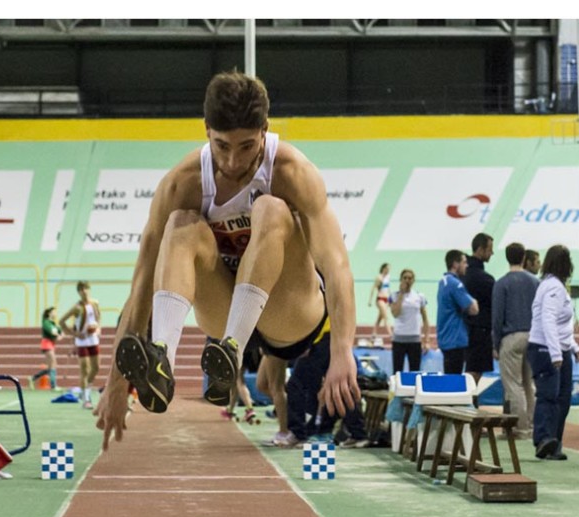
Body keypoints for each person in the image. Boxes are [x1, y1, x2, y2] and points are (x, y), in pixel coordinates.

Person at [97, 70, 359, 450]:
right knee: (180, 224)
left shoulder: (292, 171)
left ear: (265, 131)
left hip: (290, 312)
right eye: (222, 147)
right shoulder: (182, 183)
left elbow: (337, 269)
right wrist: (116, 384)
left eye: (247, 146)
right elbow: (141, 286)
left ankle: (232, 350)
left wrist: (342, 353)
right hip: (224, 307)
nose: (234, 161)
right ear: (206, 131)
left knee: (270, 208)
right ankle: (162, 357)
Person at [526, 245, 579, 461]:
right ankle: (542, 439)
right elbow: (548, 320)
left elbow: (562, 324)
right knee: (549, 396)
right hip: (546, 348)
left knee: (563, 398)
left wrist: (573, 346)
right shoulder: (553, 287)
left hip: (559, 347)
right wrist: (555, 354)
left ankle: (554, 443)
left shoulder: (556, 286)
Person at [280, 321, 370, 448]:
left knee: (295, 385)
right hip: (332, 338)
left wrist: (305, 343)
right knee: (340, 386)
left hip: (321, 339)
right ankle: (359, 434)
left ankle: (298, 434)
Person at [491, 242, 540, 439]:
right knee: (529, 384)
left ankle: (519, 428)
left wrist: (495, 344)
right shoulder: (535, 282)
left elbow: (497, 316)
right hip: (533, 335)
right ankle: (530, 425)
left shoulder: (502, 283)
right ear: (523, 258)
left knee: (513, 385)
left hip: (511, 337)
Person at [59, 281, 102, 409]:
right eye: (81, 289)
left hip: (93, 340)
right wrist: (75, 334)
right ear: (79, 292)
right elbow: (61, 321)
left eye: (86, 288)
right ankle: (86, 398)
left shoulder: (95, 303)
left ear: (89, 289)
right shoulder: (77, 307)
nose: (84, 291)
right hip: (82, 342)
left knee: (96, 368)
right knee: (85, 369)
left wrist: (98, 328)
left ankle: (86, 389)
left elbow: (98, 318)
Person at [436, 249, 478, 375]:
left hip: (446, 337)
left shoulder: (443, 282)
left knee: (450, 375)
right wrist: (474, 301)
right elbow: (473, 309)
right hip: (455, 339)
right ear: (455, 264)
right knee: (454, 379)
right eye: (464, 262)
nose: (467, 265)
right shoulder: (455, 284)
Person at [462, 232, 495, 386]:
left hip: (462, 329)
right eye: (490, 249)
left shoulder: (461, 274)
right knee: (474, 371)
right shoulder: (485, 279)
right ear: (481, 249)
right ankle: (466, 401)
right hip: (479, 331)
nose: (492, 253)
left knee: (467, 370)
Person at [388, 268, 430, 373]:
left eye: (410, 278)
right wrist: (401, 295)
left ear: (413, 280)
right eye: (405, 278)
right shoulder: (394, 296)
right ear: (400, 280)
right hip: (399, 340)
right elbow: (395, 313)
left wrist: (426, 340)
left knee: (415, 372)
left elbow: (425, 319)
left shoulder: (420, 296)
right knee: (397, 372)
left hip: (414, 340)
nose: (407, 280)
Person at [31, 307, 62, 390]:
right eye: (53, 312)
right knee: (53, 363)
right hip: (46, 344)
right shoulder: (46, 322)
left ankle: (33, 378)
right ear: (49, 313)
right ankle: (53, 385)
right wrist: (57, 334)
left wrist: (60, 334)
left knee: (51, 366)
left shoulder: (53, 323)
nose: (55, 314)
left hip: (51, 344)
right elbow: (52, 331)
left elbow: (59, 331)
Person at [368, 262, 391, 342]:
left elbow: (388, 289)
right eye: (387, 268)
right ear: (384, 269)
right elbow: (373, 289)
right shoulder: (379, 278)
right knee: (386, 317)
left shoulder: (388, 277)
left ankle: (373, 336)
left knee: (379, 319)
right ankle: (391, 335)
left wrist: (390, 299)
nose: (388, 270)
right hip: (380, 299)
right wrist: (370, 301)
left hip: (386, 300)